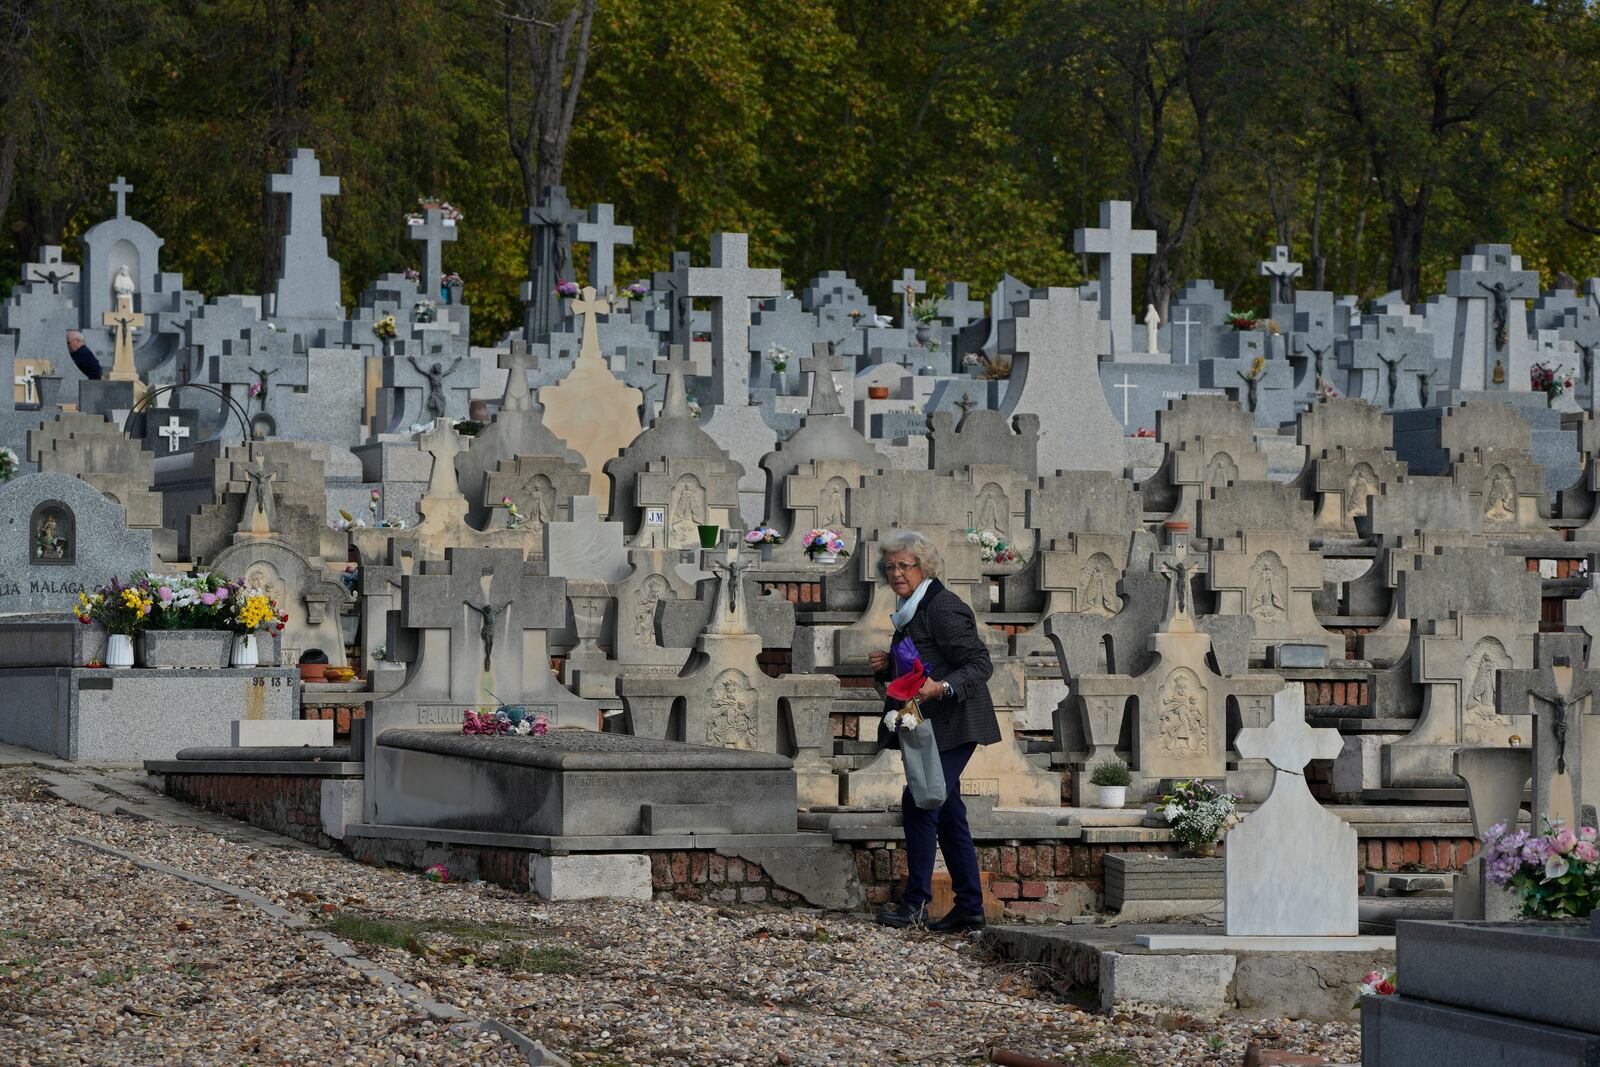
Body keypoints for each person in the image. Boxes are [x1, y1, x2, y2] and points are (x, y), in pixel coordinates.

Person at [869, 530, 1000, 933]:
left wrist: (941, 687)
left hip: (956, 721)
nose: (896, 573)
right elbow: (917, 669)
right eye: (889, 567)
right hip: (930, 725)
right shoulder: (911, 608)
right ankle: (970, 908)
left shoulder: (941, 607)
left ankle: (915, 905)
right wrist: (885, 669)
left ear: (924, 567)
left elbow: (980, 664)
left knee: (921, 802)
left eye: (904, 565)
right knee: (949, 813)